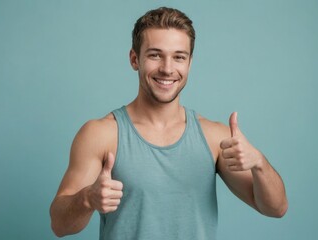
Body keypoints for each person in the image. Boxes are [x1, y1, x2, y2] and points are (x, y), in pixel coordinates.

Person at [50, 7, 288, 240]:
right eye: (155, 55)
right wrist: (87, 199)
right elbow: (59, 226)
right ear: (135, 59)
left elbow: (276, 208)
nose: (167, 68)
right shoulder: (102, 134)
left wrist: (259, 163)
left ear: (189, 63)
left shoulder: (214, 138)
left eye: (178, 57)